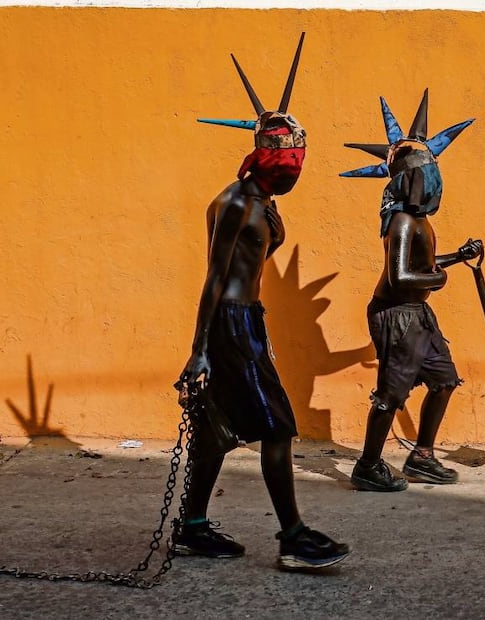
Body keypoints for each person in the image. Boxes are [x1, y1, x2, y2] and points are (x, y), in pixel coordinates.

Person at [175, 34, 350, 570]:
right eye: (288, 157)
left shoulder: (261, 203)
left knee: (217, 428)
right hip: (230, 326)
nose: (295, 166)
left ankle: (194, 527)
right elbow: (214, 278)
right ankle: (293, 537)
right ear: (266, 154)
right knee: (276, 426)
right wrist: (199, 350)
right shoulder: (233, 204)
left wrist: (275, 226)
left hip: (246, 320)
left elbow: (256, 256)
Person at [340, 89, 482, 492]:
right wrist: (439, 280)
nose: (430, 180)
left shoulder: (421, 222)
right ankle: (367, 465)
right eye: (423, 174)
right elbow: (402, 277)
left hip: (417, 315)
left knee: (443, 380)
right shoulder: (402, 222)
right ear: (411, 180)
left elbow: (424, 267)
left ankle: (422, 456)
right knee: (390, 394)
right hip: (397, 315)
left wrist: (459, 256)